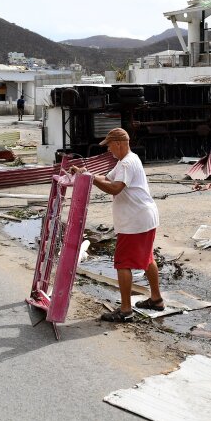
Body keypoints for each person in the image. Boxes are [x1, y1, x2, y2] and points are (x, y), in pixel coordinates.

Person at [70, 128, 162, 323]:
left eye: (110, 145)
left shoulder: (127, 162)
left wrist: (89, 178)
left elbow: (114, 188)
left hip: (135, 220)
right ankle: (156, 299)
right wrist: (87, 174)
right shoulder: (125, 161)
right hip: (143, 217)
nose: (109, 150)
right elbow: (107, 179)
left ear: (119, 143)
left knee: (123, 263)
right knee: (147, 258)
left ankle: (125, 309)